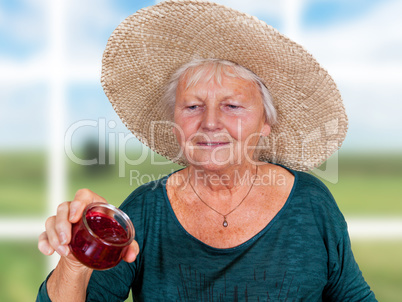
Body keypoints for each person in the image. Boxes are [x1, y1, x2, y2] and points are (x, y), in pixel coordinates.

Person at [37, 1, 377, 301]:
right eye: (193, 107)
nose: (210, 123)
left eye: (232, 106)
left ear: (265, 124)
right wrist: (74, 263)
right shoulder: (145, 211)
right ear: (175, 125)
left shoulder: (312, 203)